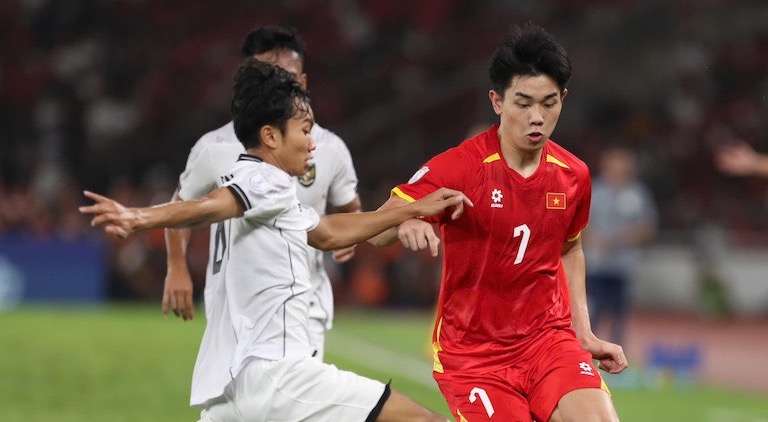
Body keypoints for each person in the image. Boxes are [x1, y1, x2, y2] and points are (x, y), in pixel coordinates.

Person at [80, 59, 469, 421]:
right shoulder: (261, 180)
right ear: (270, 135)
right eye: (304, 130)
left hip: (234, 386)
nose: (313, 143)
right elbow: (211, 205)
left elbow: (327, 233)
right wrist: (138, 217)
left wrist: (405, 211)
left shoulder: (272, 189)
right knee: (421, 418)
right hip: (279, 376)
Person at [368, 23, 626, 421]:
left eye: (549, 103)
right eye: (523, 104)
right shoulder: (461, 167)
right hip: (474, 355)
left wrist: (583, 330)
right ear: (497, 101)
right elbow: (378, 230)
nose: (537, 117)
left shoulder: (573, 175)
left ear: (563, 99)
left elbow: (570, 247)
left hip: (548, 341)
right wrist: (406, 220)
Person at [164, 25, 360, 361]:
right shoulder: (214, 147)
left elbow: (349, 208)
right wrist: (176, 266)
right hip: (232, 306)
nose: (279, 87)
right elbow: (183, 207)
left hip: (302, 305)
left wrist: (350, 234)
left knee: (292, 393)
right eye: (270, 76)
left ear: (304, 82)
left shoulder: (330, 148)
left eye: (289, 77)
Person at [584, 146, 657, 347]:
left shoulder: (638, 193)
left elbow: (649, 227)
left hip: (624, 264)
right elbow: (579, 220)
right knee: (592, 308)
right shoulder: (593, 189)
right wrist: (594, 238)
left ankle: (617, 350)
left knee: (620, 312)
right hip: (596, 262)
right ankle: (587, 350)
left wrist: (624, 237)